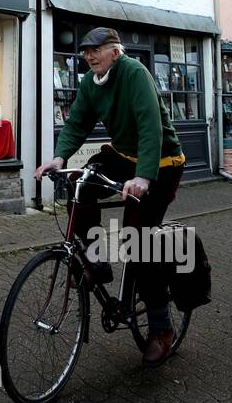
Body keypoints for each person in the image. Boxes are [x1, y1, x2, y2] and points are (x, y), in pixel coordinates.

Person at [35, 27, 186, 367]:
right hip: (123, 155)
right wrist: (59, 158)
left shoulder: (135, 74)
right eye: (85, 51)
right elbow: (77, 124)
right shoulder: (91, 83)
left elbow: (151, 126)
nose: (88, 56)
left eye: (95, 50)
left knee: (139, 241)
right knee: (82, 184)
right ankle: (97, 260)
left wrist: (144, 176)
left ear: (114, 52)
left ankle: (162, 329)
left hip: (161, 162)